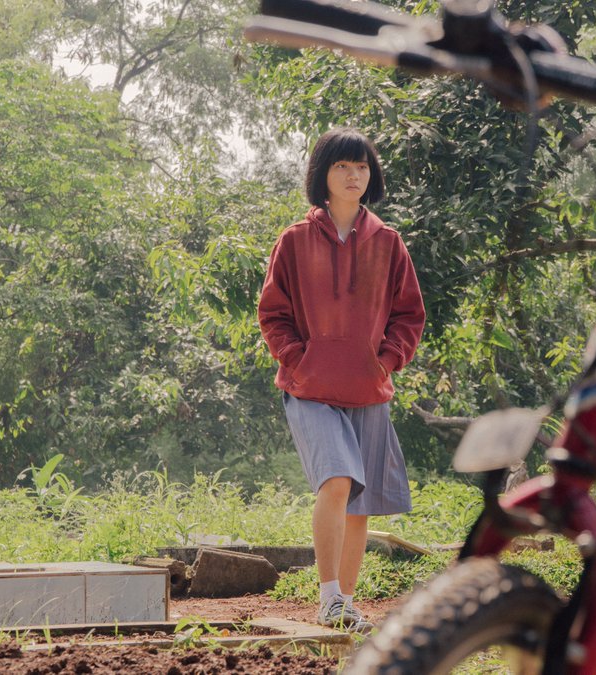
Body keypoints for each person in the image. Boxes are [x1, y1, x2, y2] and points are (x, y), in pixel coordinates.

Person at [257, 127, 425, 632]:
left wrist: (387, 360)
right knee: (337, 480)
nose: (354, 176)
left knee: (361, 503)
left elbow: (409, 315)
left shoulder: (389, 243)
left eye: (362, 167)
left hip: (368, 390)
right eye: (342, 167)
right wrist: (297, 358)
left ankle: (345, 604)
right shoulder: (294, 240)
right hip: (309, 390)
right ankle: (328, 597)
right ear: (322, 177)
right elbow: (273, 313)